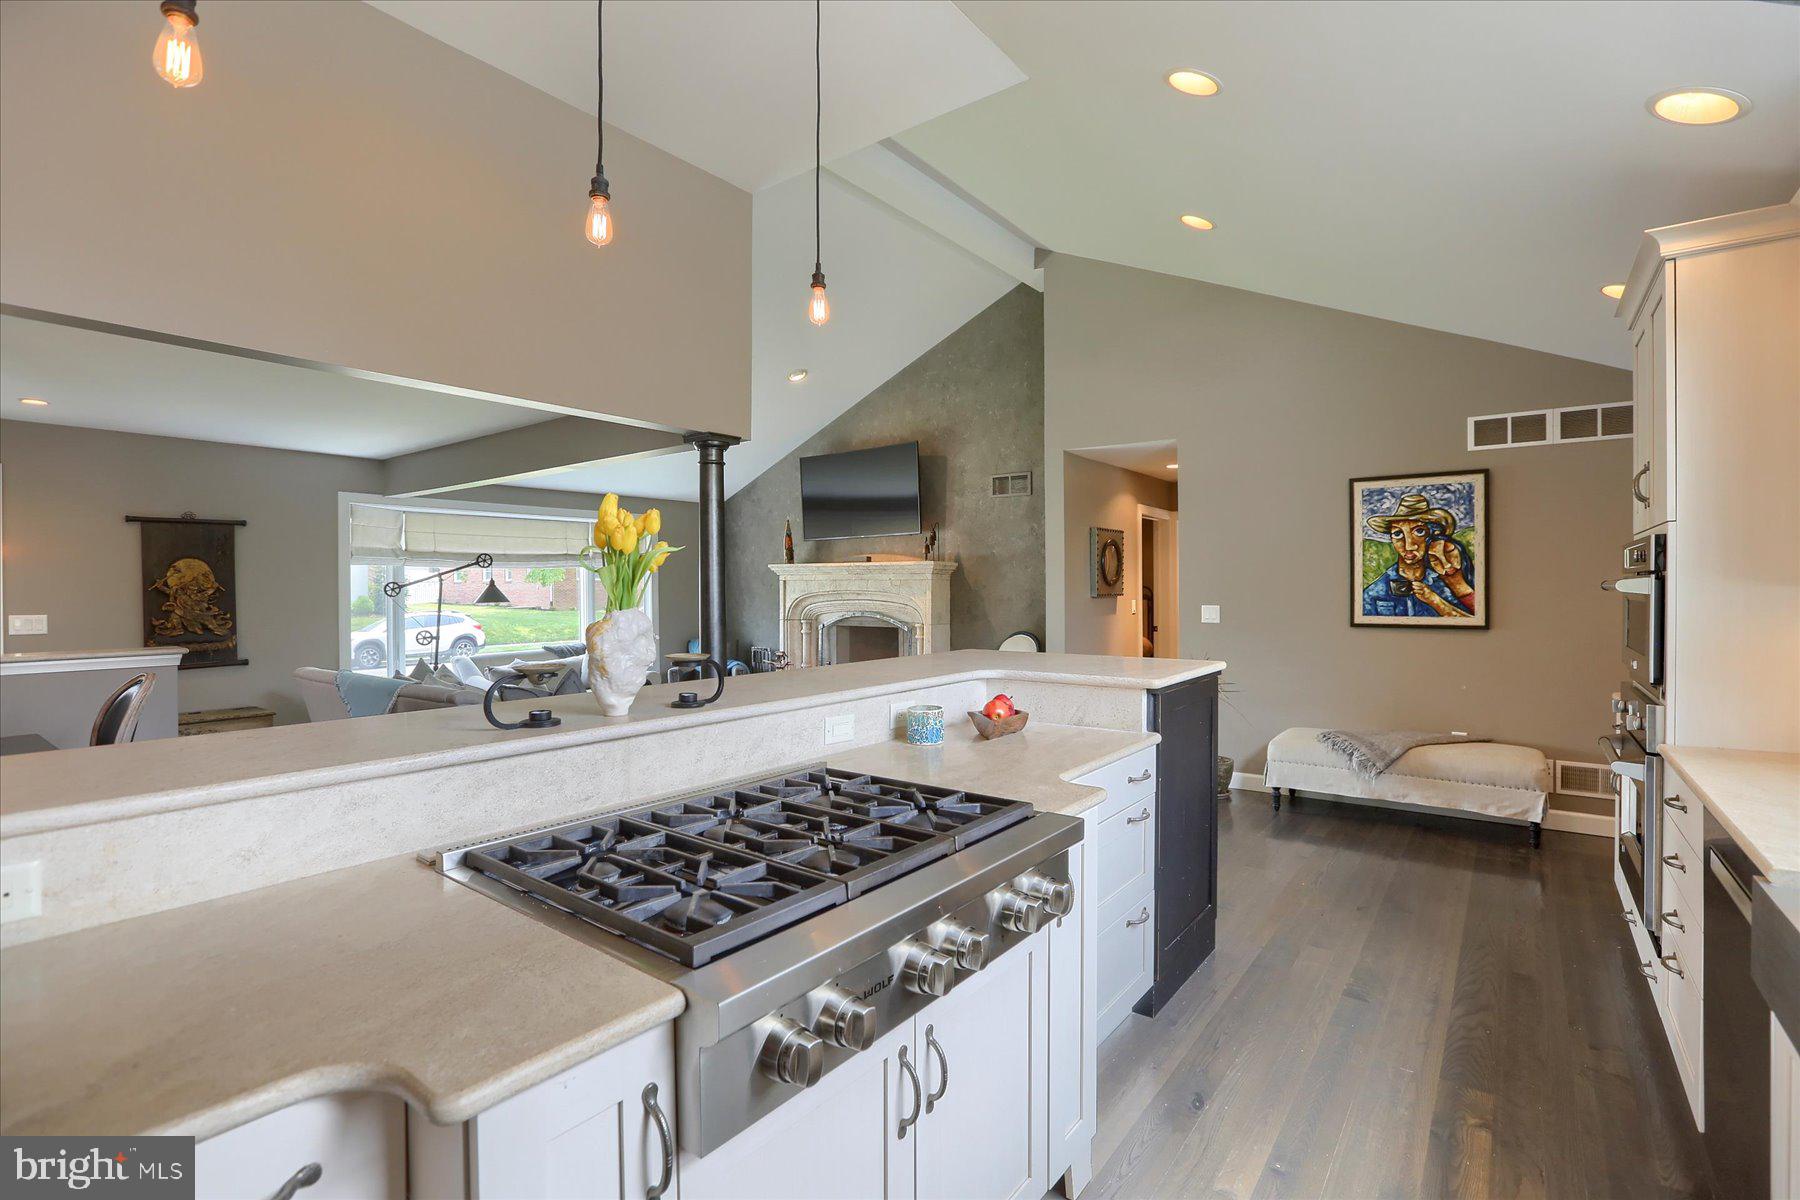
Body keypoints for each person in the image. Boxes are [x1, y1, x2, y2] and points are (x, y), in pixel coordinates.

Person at [1361, 493, 1476, 619]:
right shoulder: (1375, 591)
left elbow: (1474, 621)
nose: (1409, 546)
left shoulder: (1445, 585)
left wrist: (1436, 602)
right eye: (1398, 534)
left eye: (1419, 531)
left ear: (1432, 536)